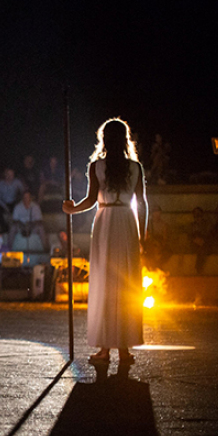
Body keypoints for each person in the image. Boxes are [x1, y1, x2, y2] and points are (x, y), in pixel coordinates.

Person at [63, 118, 147, 364]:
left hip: (106, 220)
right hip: (126, 222)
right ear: (124, 139)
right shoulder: (135, 167)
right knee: (125, 283)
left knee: (105, 283)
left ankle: (105, 349)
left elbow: (90, 200)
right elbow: (142, 204)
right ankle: (122, 348)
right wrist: (142, 234)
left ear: (104, 139)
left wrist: (72, 209)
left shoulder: (97, 166)